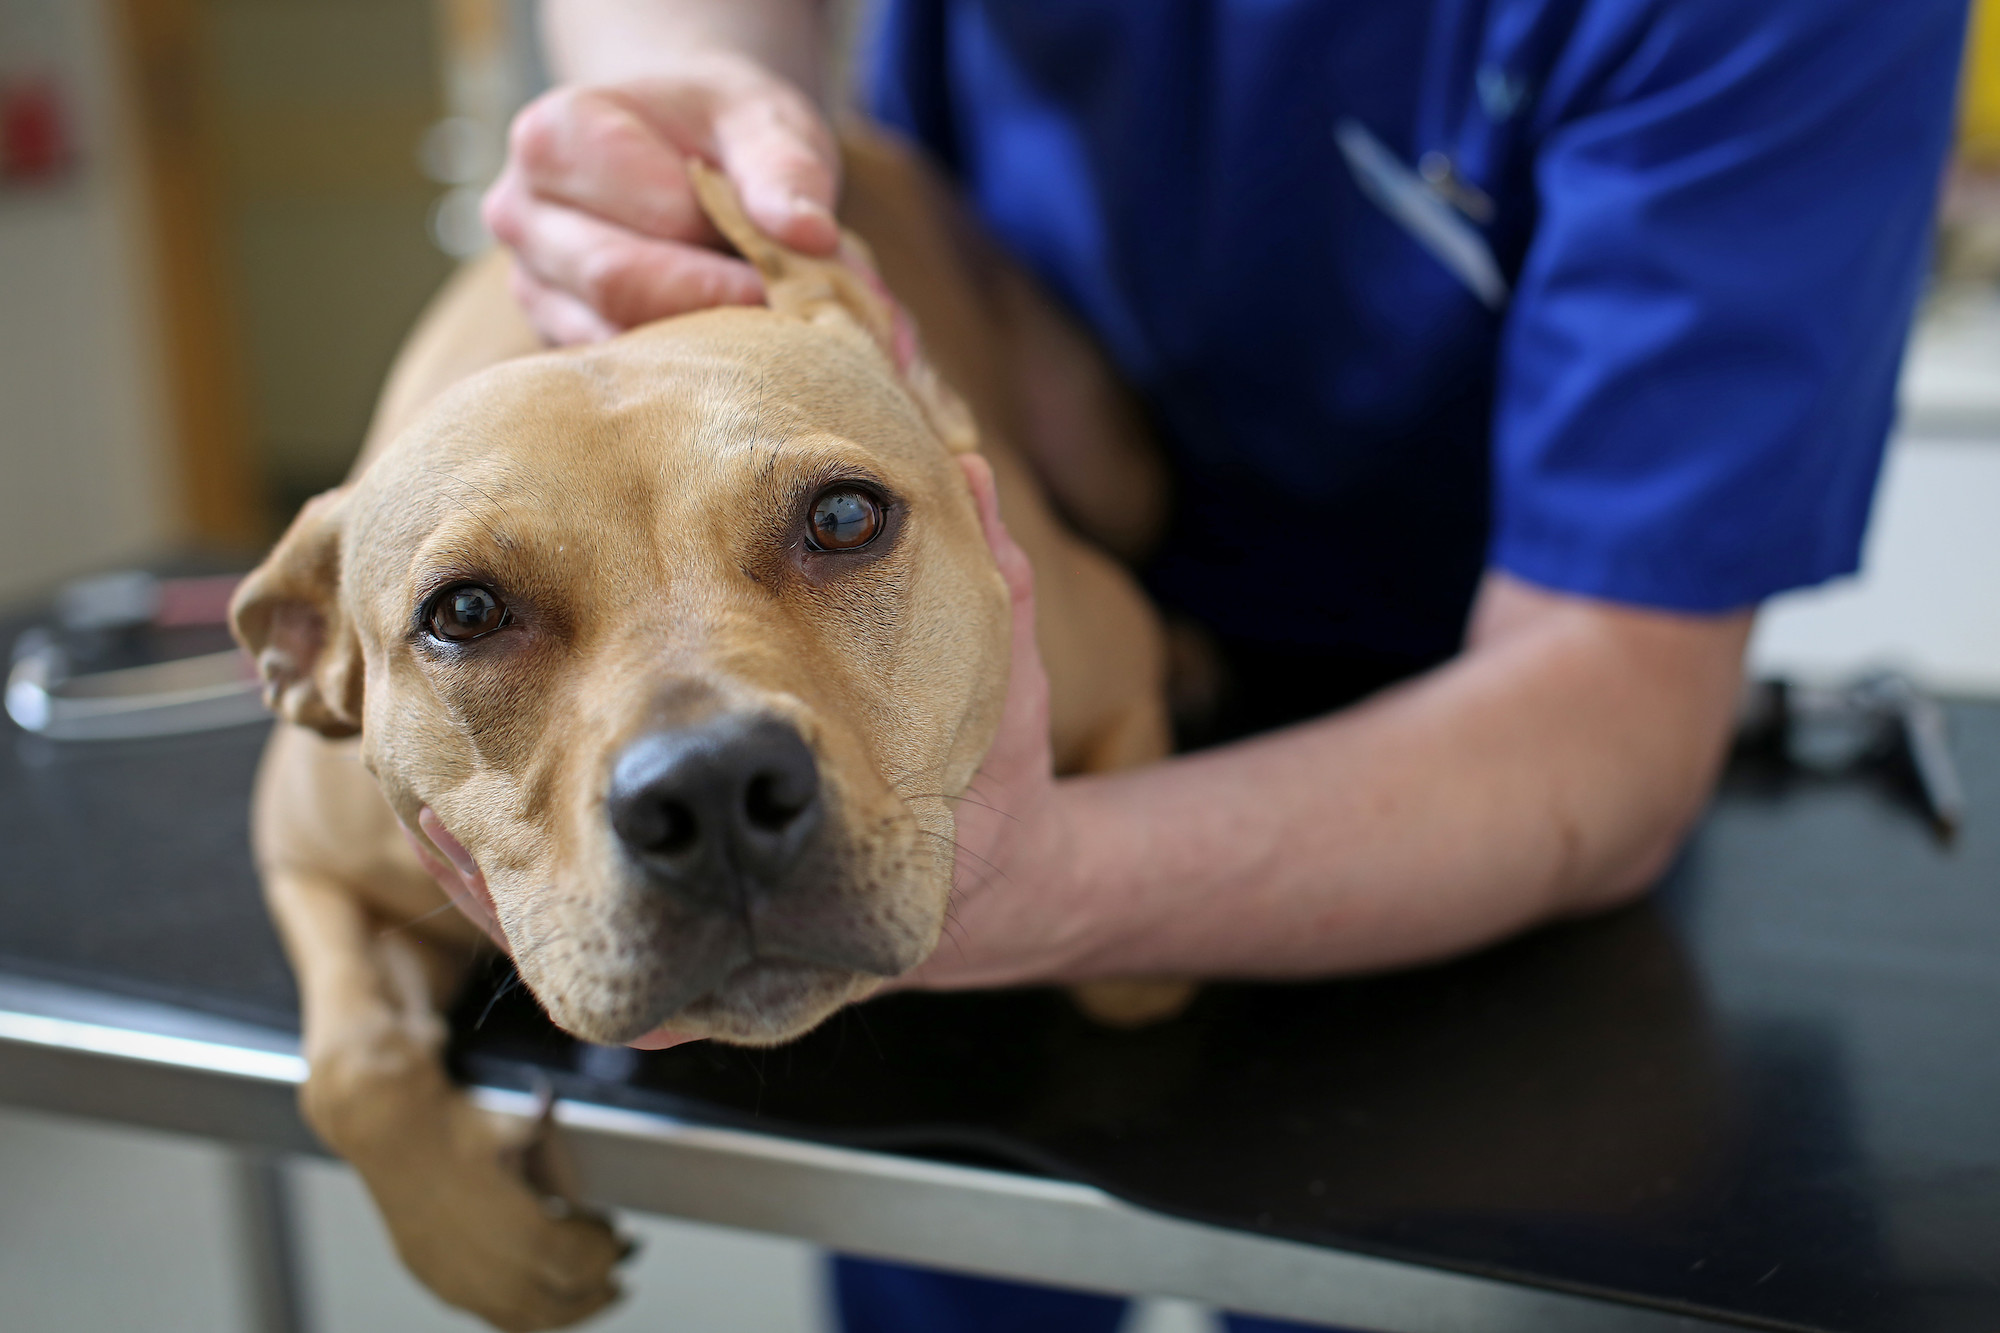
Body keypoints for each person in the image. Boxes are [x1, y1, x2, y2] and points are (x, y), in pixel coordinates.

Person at [480, 1, 1969, 1328]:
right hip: (939, 664)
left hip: (1454, 775)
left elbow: (1609, 714)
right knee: (948, 1245)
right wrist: (691, 106)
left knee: (1382, 1260)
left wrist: (1037, 884)